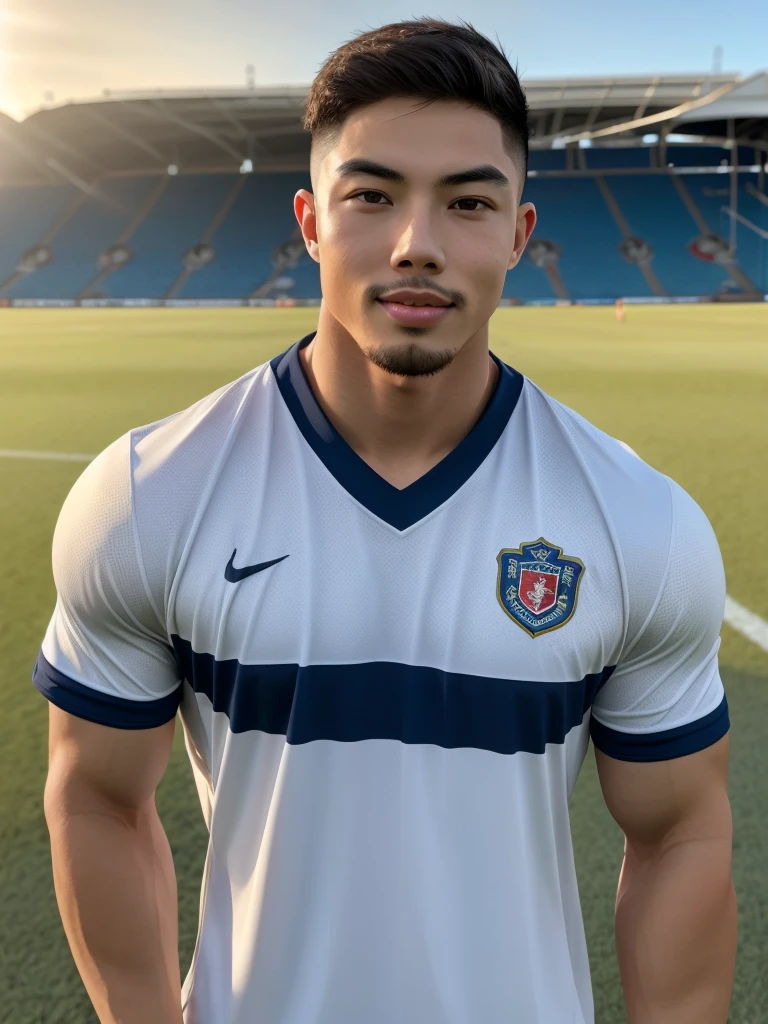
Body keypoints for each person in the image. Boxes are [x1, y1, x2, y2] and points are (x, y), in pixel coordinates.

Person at [33, 18, 736, 1024]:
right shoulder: (151, 494)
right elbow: (95, 795)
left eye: (468, 202)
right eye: (371, 194)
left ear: (519, 235)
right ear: (311, 221)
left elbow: (682, 835)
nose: (418, 242)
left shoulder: (637, 522)